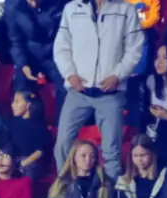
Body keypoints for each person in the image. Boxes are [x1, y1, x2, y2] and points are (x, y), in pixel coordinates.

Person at [52, 0, 143, 179]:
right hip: (78, 92)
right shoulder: (72, 8)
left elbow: (135, 49)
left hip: (111, 93)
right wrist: (70, 74)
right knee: (62, 145)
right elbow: (61, 47)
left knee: (111, 151)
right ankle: (64, 190)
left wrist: (118, 75)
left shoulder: (126, 10)